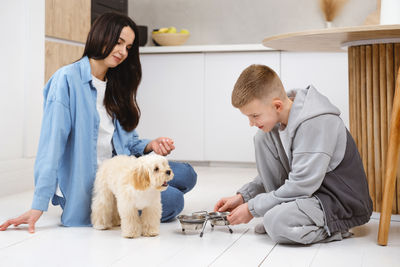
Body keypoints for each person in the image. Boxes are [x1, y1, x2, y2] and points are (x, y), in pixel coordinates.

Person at [0, 13, 196, 233]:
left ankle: (143, 196)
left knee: (187, 173)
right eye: (118, 42)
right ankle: (121, 208)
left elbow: (129, 142)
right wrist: (38, 205)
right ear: (101, 36)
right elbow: (51, 146)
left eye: (128, 47)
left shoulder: (115, 85)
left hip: (120, 168)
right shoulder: (66, 80)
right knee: (173, 200)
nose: (123, 52)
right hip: (98, 184)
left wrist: (151, 145)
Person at [214, 64, 372, 244]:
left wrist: (252, 209)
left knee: (275, 223)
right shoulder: (280, 121)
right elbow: (286, 172)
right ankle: (285, 214)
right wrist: (244, 197)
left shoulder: (315, 123)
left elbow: (300, 185)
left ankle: (336, 227)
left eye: (255, 116)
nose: (251, 123)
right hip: (311, 193)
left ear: (277, 105)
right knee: (262, 138)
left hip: (337, 201)